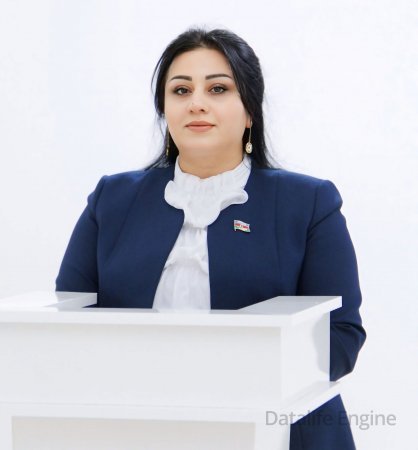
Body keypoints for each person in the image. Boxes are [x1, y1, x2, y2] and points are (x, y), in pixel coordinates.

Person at [56, 27, 366, 449]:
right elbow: (67, 325)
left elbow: (342, 337)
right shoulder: (112, 199)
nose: (196, 103)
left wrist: (228, 385)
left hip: (276, 432)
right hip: (139, 429)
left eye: (218, 88)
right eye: (180, 91)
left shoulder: (309, 202)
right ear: (164, 111)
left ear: (250, 111)